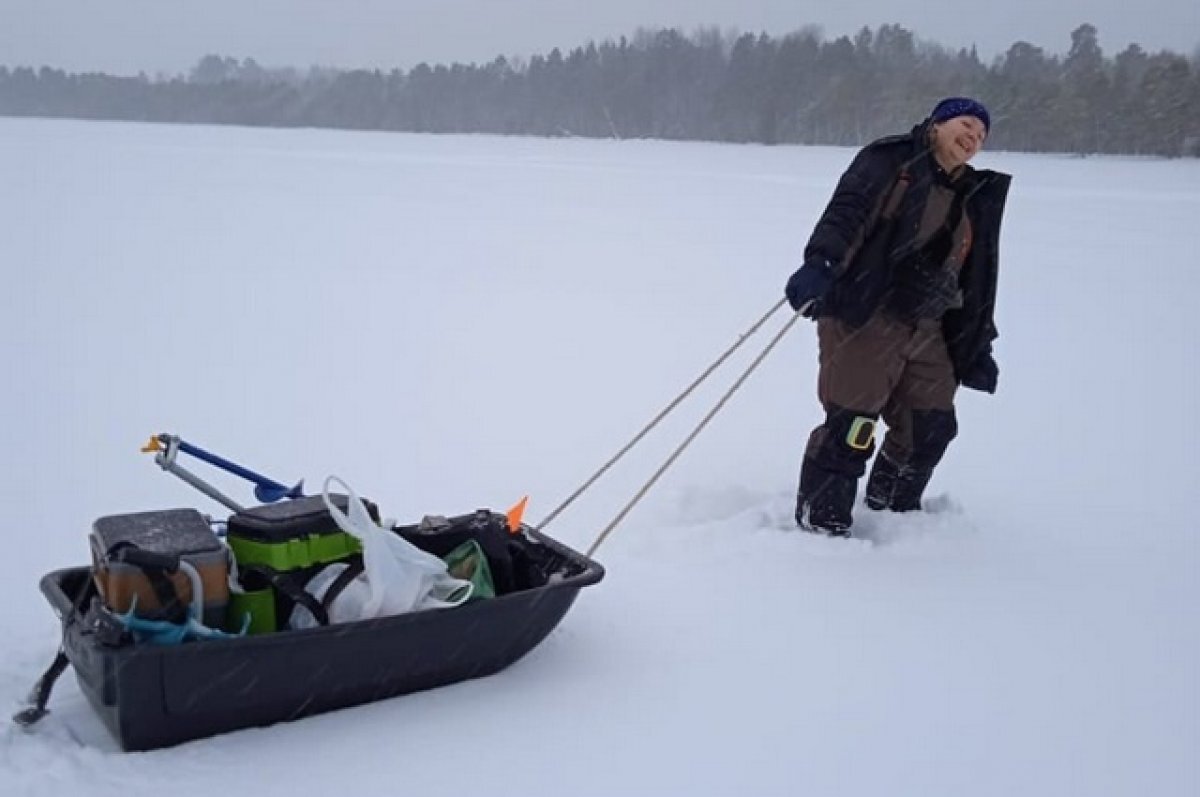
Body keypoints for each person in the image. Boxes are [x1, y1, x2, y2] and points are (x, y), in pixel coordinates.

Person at [784, 97, 1011, 536]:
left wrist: (977, 344)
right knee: (852, 425)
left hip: (928, 323)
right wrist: (822, 263)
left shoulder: (974, 194)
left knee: (931, 426)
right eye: (966, 124)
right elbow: (847, 211)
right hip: (868, 309)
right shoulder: (891, 160)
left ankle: (892, 510)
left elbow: (976, 275)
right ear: (939, 123)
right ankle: (822, 525)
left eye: (982, 135)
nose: (973, 138)